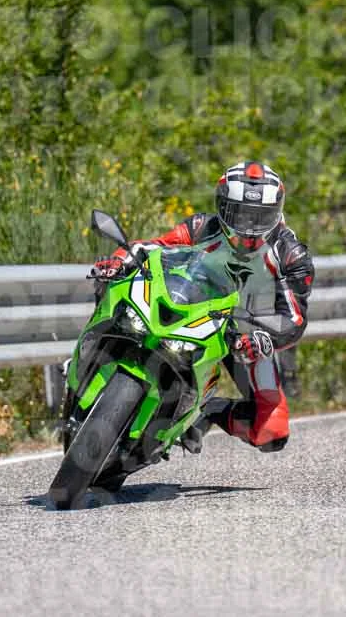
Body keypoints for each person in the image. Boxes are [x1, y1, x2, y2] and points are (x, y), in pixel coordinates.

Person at [89, 161, 314, 453]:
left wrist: (262, 338)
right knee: (115, 284)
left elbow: (294, 319)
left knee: (272, 432)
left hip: (246, 334)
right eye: (240, 213)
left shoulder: (290, 255)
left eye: (260, 217)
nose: (249, 227)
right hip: (191, 307)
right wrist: (119, 260)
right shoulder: (202, 227)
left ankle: (208, 410)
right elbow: (152, 247)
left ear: (277, 212)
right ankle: (92, 353)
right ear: (222, 206)